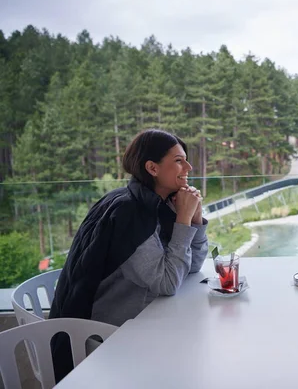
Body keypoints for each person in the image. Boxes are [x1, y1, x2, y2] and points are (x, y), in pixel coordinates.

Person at [50, 129, 208, 381]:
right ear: (152, 168)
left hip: (137, 321)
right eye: (179, 160)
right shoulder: (129, 213)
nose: (188, 166)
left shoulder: (152, 204)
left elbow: (192, 266)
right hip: (102, 338)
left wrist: (194, 218)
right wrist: (183, 220)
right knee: (196, 360)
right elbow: (167, 283)